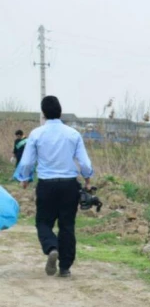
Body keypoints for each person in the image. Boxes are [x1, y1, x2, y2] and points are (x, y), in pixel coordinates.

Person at [15, 96, 93, 278]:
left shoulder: (36, 134)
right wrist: (88, 179)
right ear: (60, 111)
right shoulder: (73, 134)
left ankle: (51, 247)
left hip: (46, 185)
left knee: (43, 222)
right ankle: (65, 267)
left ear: (43, 114)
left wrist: (25, 178)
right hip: (69, 186)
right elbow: (84, 162)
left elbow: (26, 162)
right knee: (67, 225)